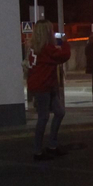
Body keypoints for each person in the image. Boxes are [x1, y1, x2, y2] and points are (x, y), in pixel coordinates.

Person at [27, 25, 71, 159]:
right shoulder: (47, 48)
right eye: (51, 31)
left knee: (59, 112)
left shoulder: (35, 48)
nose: (53, 33)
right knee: (43, 117)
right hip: (43, 86)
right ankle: (38, 151)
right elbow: (64, 56)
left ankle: (52, 145)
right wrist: (65, 43)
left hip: (45, 85)